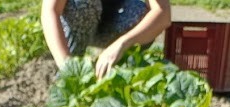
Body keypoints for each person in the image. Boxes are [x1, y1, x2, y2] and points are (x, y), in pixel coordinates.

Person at [41, 0, 171, 79]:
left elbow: (162, 14)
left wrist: (123, 43)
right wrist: (66, 65)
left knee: (140, 14)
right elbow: (50, 11)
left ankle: (111, 76)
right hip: (78, 18)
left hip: (113, 18)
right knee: (85, 3)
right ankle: (71, 77)